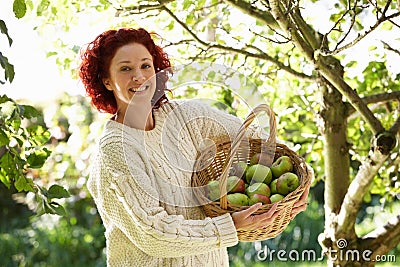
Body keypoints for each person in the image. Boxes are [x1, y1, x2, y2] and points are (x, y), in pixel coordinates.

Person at [79, 27, 309, 266]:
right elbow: (152, 232)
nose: (139, 76)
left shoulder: (182, 116)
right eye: (125, 68)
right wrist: (230, 226)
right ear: (106, 80)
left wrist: (299, 179)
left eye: (146, 66)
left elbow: (254, 139)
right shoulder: (116, 150)